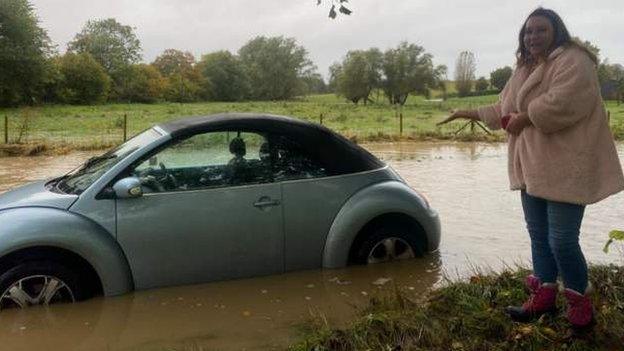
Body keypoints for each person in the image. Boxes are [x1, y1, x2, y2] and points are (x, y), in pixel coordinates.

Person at [438, 7, 624, 332]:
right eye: (528, 31)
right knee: (539, 236)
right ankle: (544, 298)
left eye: (540, 30)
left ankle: (581, 303)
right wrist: (466, 112)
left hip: (566, 166)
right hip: (531, 166)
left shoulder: (574, 60)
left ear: (556, 31)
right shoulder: (524, 67)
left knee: (563, 241)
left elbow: (564, 103)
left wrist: (525, 117)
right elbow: (503, 107)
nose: (532, 36)